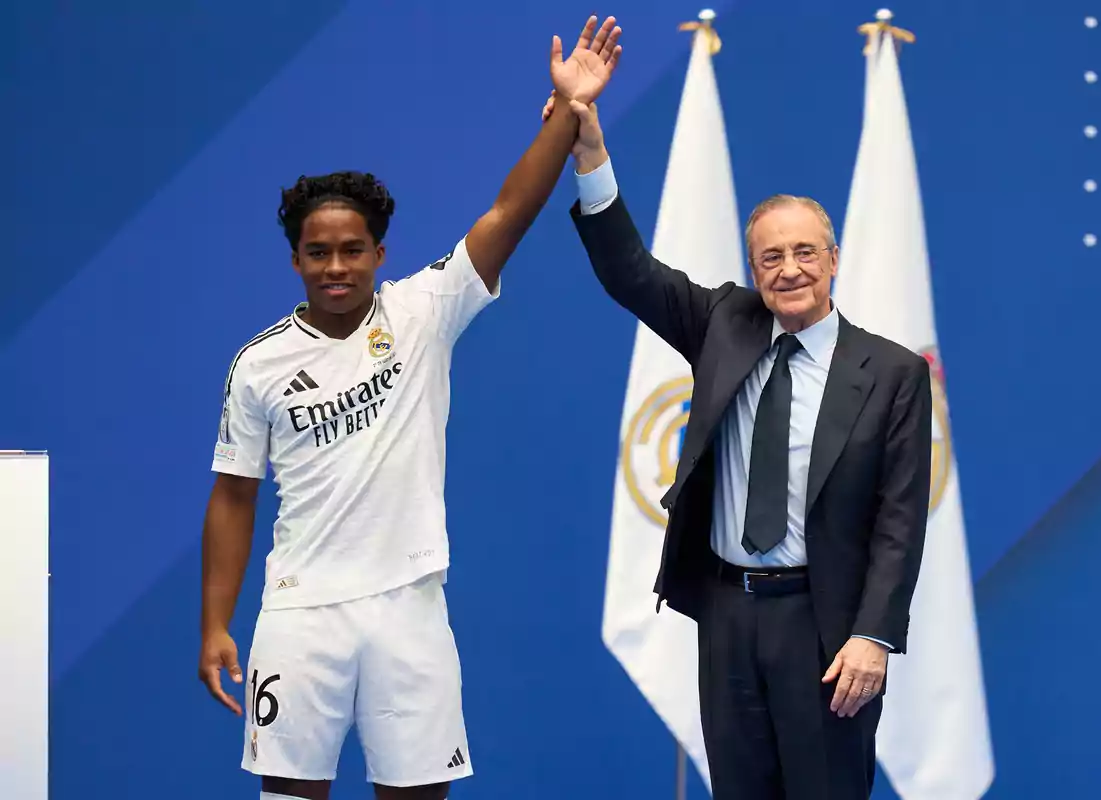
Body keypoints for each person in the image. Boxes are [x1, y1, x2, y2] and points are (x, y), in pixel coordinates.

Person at [197, 17, 623, 800]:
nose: (335, 266)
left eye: (352, 249)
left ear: (379, 255)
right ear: (294, 259)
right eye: (318, 252)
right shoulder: (257, 364)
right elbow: (233, 494)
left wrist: (568, 111)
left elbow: (506, 213)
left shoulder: (423, 311)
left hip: (409, 608)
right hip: (300, 614)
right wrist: (215, 623)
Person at [544, 93, 931, 799]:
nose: (788, 270)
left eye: (804, 252)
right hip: (726, 615)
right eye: (770, 257)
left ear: (834, 258)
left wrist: (873, 634)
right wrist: (591, 153)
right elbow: (629, 271)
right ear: (753, 269)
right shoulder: (724, 321)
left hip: (826, 623)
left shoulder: (894, 372)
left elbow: (901, 522)